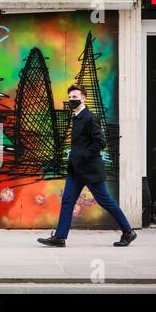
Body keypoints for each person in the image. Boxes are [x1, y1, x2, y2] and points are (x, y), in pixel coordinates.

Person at [37, 84, 137, 248]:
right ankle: (60, 237)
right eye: (70, 98)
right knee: (68, 201)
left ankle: (128, 232)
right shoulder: (75, 117)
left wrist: (83, 155)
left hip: (90, 170)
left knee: (105, 201)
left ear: (83, 98)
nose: (72, 100)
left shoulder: (90, 118)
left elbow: (101, 142)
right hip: (76, 170)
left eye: (75, 97)